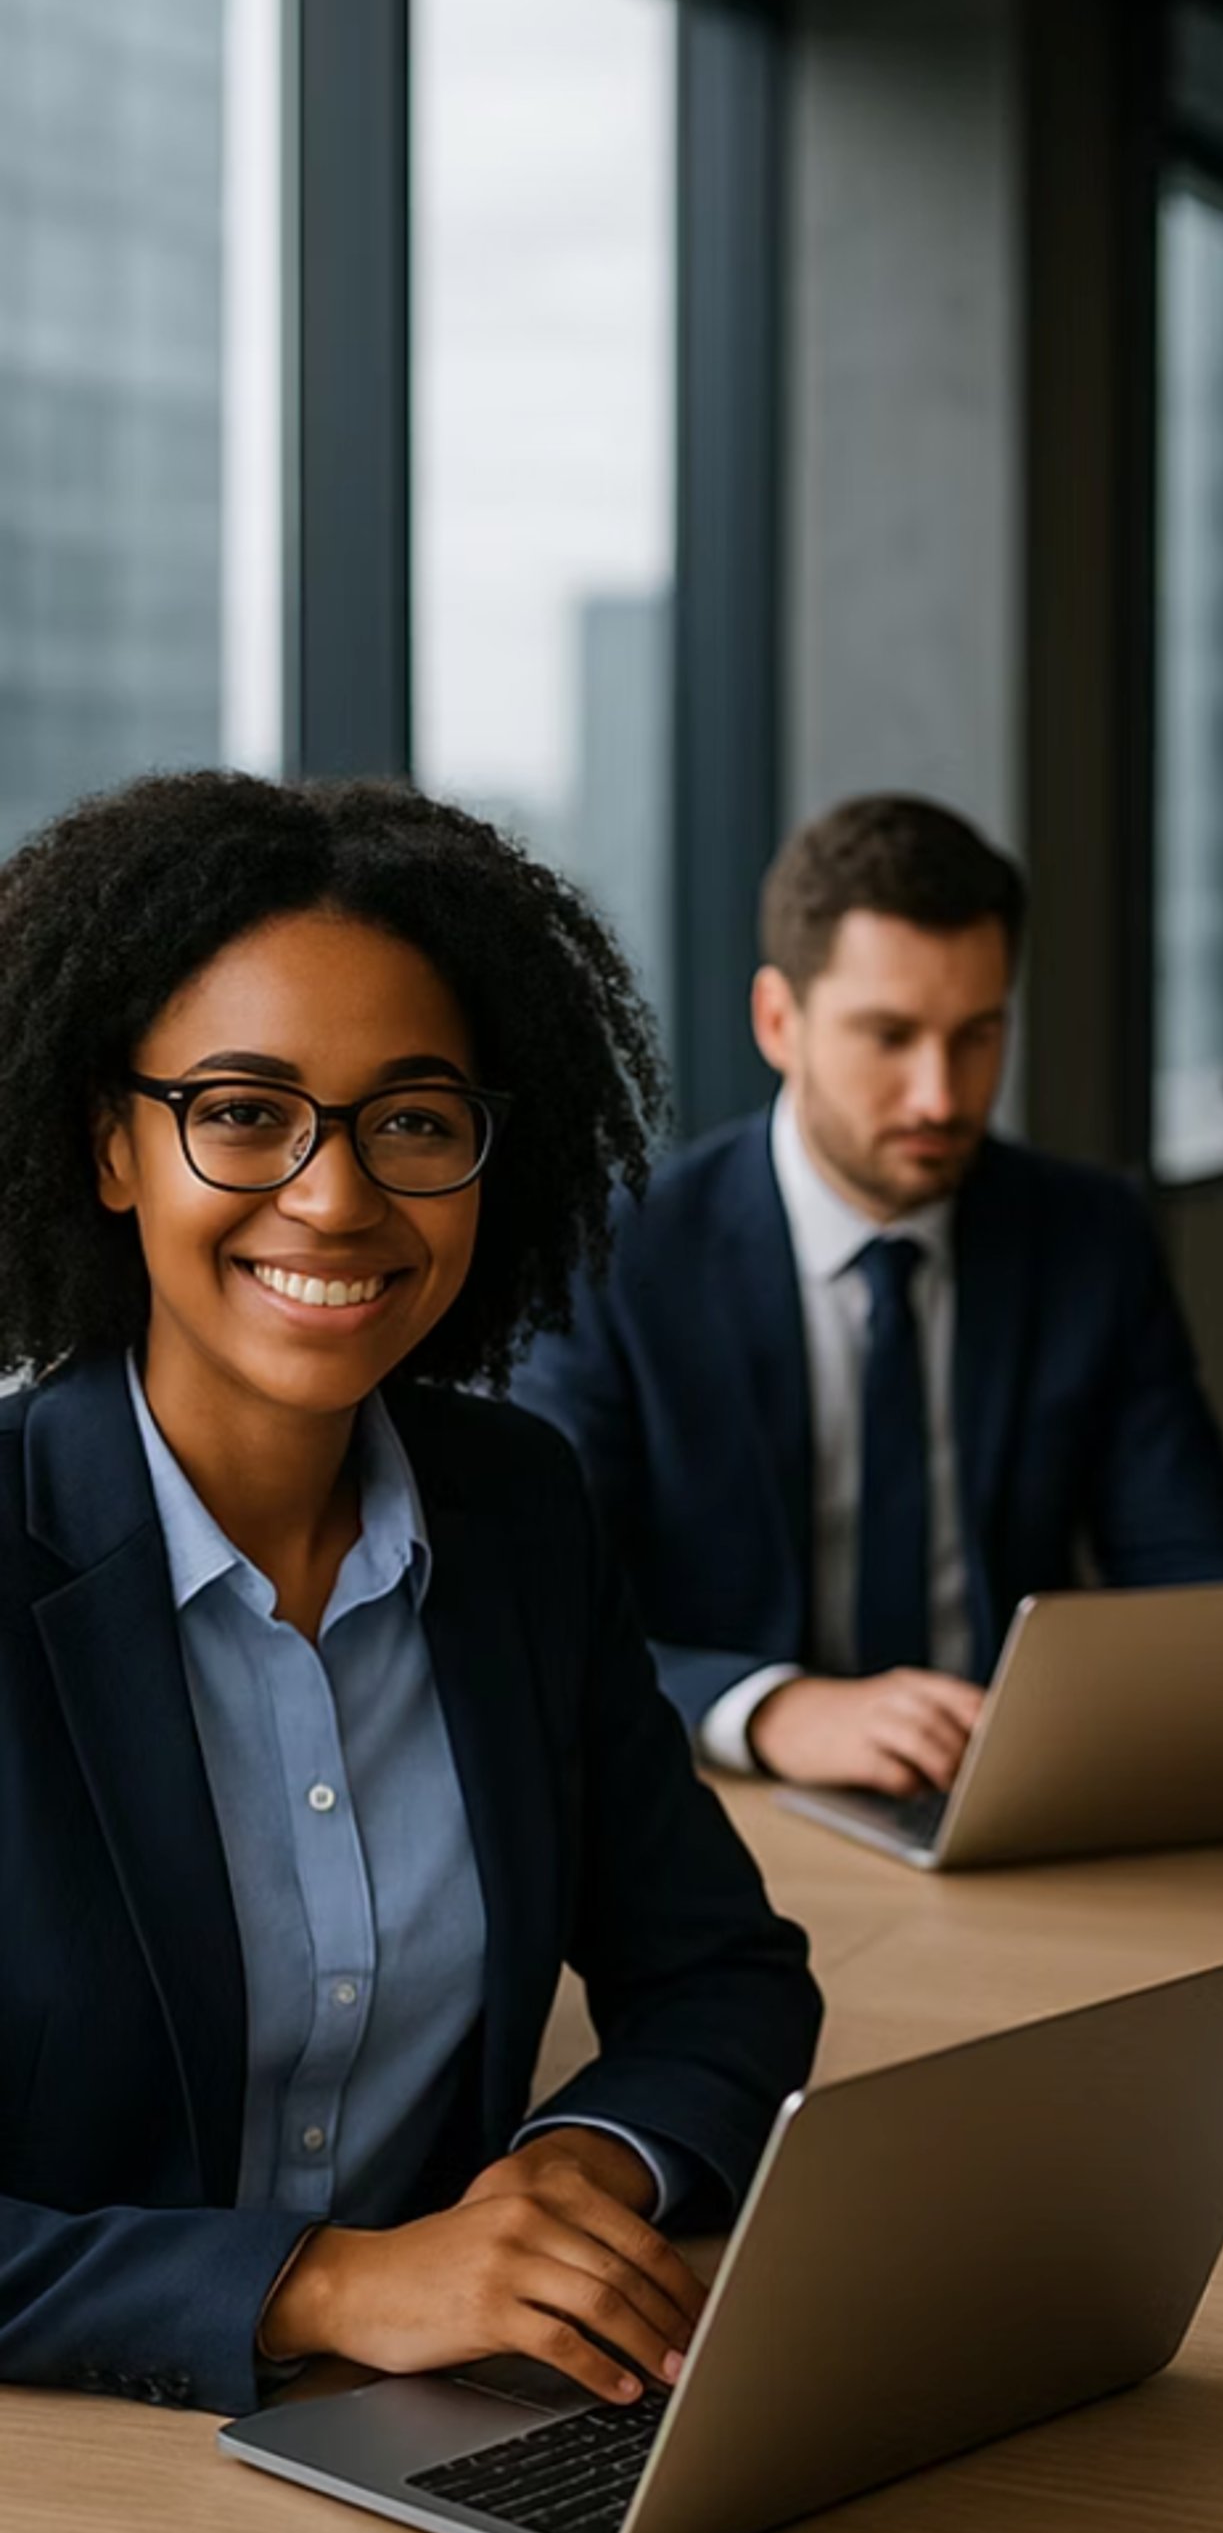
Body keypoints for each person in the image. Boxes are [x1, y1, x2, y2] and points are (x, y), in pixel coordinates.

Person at [0, 770, 820, 2417]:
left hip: (438, 2439)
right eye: (243, 1109)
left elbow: (725, 1973)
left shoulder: (513, 1510)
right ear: (111, 1141)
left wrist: (576, 2177)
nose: (336, 1193)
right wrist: (328, 2280)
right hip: (74, 2498)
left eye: (414, 1118)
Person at [515, 793, 1223, 1798]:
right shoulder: (621, 1255)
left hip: (1008, 1791)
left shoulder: (1088, 1239)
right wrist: (771, 1707)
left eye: (977, 1036)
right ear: (778, 1021)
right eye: (890, 1036)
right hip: (721, 1800)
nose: (941, 1096)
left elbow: (1204, 1580)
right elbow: (534, 1607)